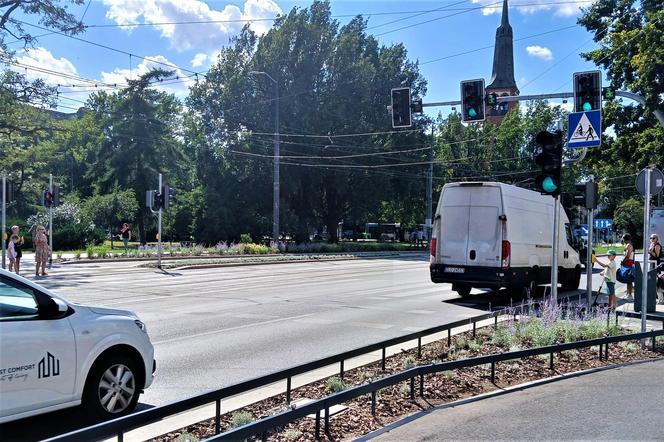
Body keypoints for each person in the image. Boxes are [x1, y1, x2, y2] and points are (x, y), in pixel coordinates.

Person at [622, 233, 635, 299]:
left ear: (624, 239)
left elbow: (627, 256)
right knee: (627, 280)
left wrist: (622, 261)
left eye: (622, 239)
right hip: (628, 264)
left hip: (628, 264)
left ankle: (630, 295)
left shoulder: (629, 245)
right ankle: (628, 293)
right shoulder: (628, 245)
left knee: (629, 280)